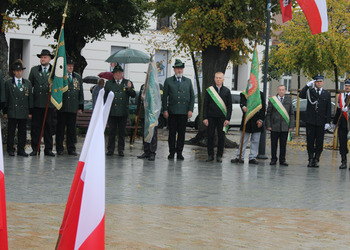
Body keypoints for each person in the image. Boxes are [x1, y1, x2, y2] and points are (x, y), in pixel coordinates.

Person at [163, 59, 194, 160]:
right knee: (172, 133)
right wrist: (165, 110)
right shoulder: (168, 81)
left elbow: (192, 97)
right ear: (174, 70)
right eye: (177, 68)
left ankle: (179, 152)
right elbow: (164, 97)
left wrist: (190, 109)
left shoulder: (188, 81)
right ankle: (171, 152)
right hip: (172, 112)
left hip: (183, 112)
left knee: (181, 134)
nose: (179, 70)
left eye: (181, 68)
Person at [299, 74, 331, 168]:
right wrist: (307, 86)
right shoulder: (310, 91)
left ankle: (317, 159)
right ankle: (310, 159)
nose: (319, 83)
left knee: (319, 142)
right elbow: (301, 95)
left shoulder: (326, 93)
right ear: (314, 82)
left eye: (320, 81)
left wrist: (327, 122)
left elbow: (328, 109)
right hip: (311, 121)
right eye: (317, 82)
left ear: (323, 82)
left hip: (321, 122)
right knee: (310, 141)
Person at [104, 64, 136, 156]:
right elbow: (105, 97)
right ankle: (110, 149)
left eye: (119, 73)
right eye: (115, 73)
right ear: (113, 74)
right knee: (111, 132)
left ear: (122, 73)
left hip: (122, 111)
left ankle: (121, 149)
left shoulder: (127, 82)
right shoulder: (109, 83)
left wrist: (129, 88)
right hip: (112, 111)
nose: (117, 74)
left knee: (122, 132)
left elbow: (133, 95)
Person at [28, 49, 55, 156]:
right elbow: (30, 87)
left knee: (49, 127)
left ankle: (48, 149)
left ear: (49, 59)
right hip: (37, 103)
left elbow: (59, 87)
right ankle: (35, 148)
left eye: (45, 57)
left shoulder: (54, 71)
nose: (42, 59)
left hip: (49, 104)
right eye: (41, 57)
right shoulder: (34, 70)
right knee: (36, 127)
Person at [3, 61, 33, 156]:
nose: (19, 72)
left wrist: (30, 111)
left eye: (20, 70)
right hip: (12, 110)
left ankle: (21, 149)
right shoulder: (8, 83)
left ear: (22, 71)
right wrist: (5, 111)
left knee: (22, 131)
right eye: (17, 71)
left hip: (23, 111)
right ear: (14, 72)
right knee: (11, 131)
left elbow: (30, 98)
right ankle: (10, 149)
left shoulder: (27, 83)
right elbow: (6, 98)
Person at [56, 57, 84, 156]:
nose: (70, 67)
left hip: (73, 107)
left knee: (71, 129)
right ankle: (59, 148)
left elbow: (80, 92)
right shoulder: (61, 77)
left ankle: (71, 148)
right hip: (62, 107)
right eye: (68, 65)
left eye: (72, 66)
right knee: (60, 129)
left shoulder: (77, 77)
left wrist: (80, 106)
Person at [203, 72, 232, 162]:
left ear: (223, 80)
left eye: (220, 78)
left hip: (222, 118)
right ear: (214, 79)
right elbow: (205, 105)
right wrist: (205, 118)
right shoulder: (209, 91)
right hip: (211, 117)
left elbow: (229, 106)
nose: (218, 79)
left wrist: (228, 119)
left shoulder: (227, 91)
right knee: (210, 136)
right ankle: (210, 155)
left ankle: (219, 155)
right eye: (216, 78)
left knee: (221, 137)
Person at [231, 91, 266, 164]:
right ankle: (240, 157)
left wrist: (261, 120)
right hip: (247, 120)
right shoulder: (244, 93)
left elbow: (263, 108)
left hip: (257, 120)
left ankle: (252, 158)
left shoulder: (260, 94)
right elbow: (242, 103)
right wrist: (243, 107)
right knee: (243, 140)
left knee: (255, 140)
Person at [266, 85, 294, 166]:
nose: (281, 91)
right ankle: (273, 159)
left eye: (283, 90)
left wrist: (291, 126)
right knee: (273, 144)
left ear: (285, 91)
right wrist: (269, 125)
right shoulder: (273, 100)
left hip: (285, 126)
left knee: (283, 145)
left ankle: (282, 160)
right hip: (274, 126)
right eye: (280, 90)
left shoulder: (288, 100)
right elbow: (269, 114)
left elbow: (291, 114)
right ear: (277, 91)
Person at [136, 83, 163, 161]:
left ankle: (152, 152)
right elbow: (139, 101)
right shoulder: (143, 86)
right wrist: (137, 114)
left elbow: (159, 98)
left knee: (153, 134)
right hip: (144, 113)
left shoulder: (159, 86)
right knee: (145, 133)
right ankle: (146, 151)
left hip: (153, 113)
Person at [333, 79, 350, 170]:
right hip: (342, 123)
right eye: (346, 85)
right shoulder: (340, 96)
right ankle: (344, 161)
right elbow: (338, 111)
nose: (347, 87)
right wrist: (334, 122)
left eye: (349, 86)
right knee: (342, 143)